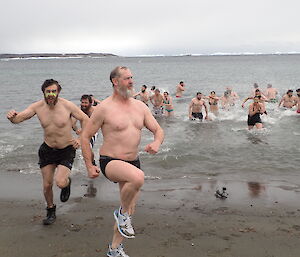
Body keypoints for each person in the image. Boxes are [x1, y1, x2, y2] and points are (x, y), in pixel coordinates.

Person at [80, 66, 164, 257]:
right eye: (127, 78)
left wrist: (157, 142)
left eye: (132, 77)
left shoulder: (140, 107)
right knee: (137, 179)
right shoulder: (104, 108)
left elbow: (158, 130)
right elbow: (85, 136)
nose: (132, 81)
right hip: (110, 161)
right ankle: (121, 214)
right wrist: (89, 164)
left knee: (130, 209)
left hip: (133, 160)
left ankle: (114, 249)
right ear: (115, 81)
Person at [6, 79, 89, 225]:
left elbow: (85, 119)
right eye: (48, 91)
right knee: (46, 185)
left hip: (66, 150)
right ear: (43, 91)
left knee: (60, 182)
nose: (51, 94)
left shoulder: (67, 105)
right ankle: (51, 210)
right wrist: (12, 117)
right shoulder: (37, 107)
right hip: (47, 150)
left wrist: (81, 138)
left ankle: (67, 183)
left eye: (53, 91)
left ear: (58, 92)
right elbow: (19, 119)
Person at [72, 94, 98, 163]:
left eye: (86, 103)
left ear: (90, 103)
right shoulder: (79, 110)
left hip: (93, 132)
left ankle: (92, 163)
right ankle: (92, 162)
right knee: (84, 148)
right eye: (82, 102)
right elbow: (73, 123)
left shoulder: (94, 111)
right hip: (84, 132)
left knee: (87, 148)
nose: (83, 104)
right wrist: (76, 129)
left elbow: (92, 126)